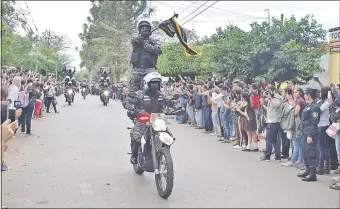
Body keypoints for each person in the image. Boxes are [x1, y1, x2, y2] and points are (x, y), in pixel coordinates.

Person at [125, 72, 166, 164]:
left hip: (157, 119)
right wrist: (132, 108)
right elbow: (128, 102)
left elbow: (169, 103)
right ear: (147, 84)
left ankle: (165, 152)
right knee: (136, 136)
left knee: (168, 134)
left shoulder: (161, 95)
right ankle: (134, 155)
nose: (155, 85)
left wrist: (177, 108)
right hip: (143, 119)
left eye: (157, 83)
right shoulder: (139, 94)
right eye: (153, 83)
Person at [129, 20, 162, 93]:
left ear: (149, 30)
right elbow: (134, 40)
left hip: (150, 69)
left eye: (146, 28)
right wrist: (142, 39)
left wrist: (147, 45)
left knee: (155, 89)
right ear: (139, 30)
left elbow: (159, 51)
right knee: (132, 92)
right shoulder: (137, 40)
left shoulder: (154, 41)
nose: (145, 30)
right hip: (137, 70)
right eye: (143, 28)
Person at [297, 88, 321, 182]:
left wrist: (310, 135)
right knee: (305, 152)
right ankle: (307, 170)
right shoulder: (308, 106)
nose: (304, 95)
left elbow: (314, 123)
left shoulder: (315, 107)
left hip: (310, 133)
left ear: (309, 95)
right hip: (305, 132)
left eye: (305, 94)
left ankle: (312, 174)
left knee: (311, 153)